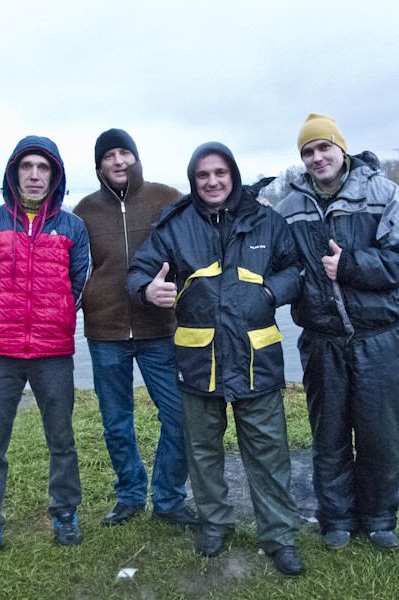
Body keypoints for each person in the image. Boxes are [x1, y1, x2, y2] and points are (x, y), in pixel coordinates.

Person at [127, 142, 305, 576]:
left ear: (233, 175)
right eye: (203, 174)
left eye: (220, 173)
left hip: (256, 360)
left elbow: (296, 269)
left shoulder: (268, 220)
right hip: (196, 362)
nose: (212, 181)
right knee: (203, 452)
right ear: (193, 180)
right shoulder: (174, 226)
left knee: (268, 454)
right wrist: (149, 290)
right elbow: (137, 272)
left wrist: (270, 293)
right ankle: (214, 523)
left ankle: (279, 536)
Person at [276, 113, 399, 551]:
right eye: (308, 151)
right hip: (321, 341)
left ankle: (379, 516)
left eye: (324, 147)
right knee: (329, 434)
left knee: (380, 432)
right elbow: (280, 265)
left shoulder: (382, 193)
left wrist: (351, 266)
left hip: (377, 338)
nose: (317, 157)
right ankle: (336, 518)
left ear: (341, 149)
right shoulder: (290, 208)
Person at [0, 135, 92, 568]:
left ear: (55, 176)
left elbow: (80, 285)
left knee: (62, 439)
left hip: (53, 352)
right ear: (13, 173)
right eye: (27, 167)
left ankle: (65, 512)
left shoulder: (72, 228)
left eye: (43, 168)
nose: (35, 175)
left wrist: (47, 319)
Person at [72, 129, 198, 529]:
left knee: (178, 415)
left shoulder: (168, 198)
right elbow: (74, 271)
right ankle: (129, 494)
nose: (119, 161)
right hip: (105, 332)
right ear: (99, 166)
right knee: (116, 421)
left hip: (160, 329)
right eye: (109, 156)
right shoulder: (84, 211)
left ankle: (168, 498)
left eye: (125, 152)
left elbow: (202, 235)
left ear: (136, 157)